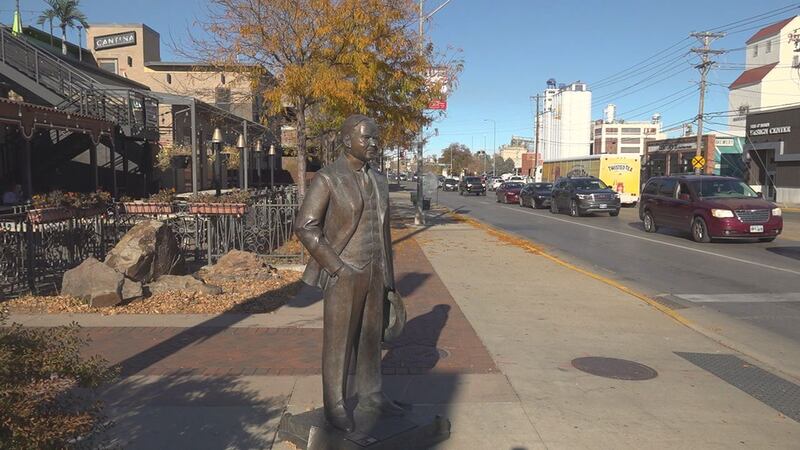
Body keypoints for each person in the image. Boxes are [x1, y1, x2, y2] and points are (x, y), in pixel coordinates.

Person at [294, 114, 405, 432]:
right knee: (339, 342)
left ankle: (372, 395)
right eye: (366, 138)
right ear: (347, 141)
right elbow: (305, 226)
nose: (373, 143)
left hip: (375, 271)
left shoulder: (380, 180)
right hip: (344, 271)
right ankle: (335, 405)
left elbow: (383, 233)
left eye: (375, 138)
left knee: (371, 339)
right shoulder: (329, 178)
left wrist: (389, 281)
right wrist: (337, 266)